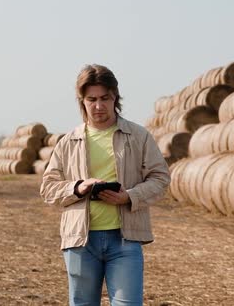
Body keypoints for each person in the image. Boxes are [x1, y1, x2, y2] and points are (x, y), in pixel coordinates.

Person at [40, 64, 170, 306]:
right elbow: (48, 187)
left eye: (104, 98)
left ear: (115, 98)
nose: (98, 106)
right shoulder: (68, 141)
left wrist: (130, 196)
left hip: (125, 239)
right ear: (82, 101)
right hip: (80, 242)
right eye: (92, 99)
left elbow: (161, 178)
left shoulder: (139, 136)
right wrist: (77, 188)